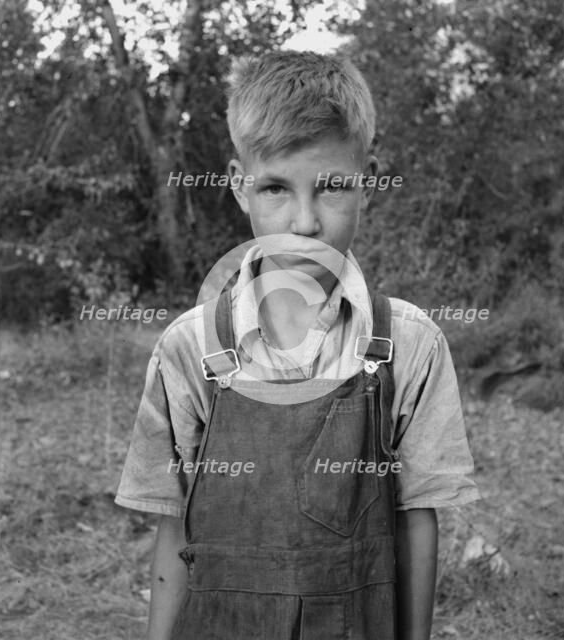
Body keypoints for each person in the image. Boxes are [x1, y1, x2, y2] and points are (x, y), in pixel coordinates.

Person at [114, 50, 480, 640]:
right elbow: (175, 534)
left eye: (332, 187)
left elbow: (417, 522)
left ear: (369, 181)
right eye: (276, 189)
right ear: (239, 187)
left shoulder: (411, 344)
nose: (305, 222)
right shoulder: (190, 348)